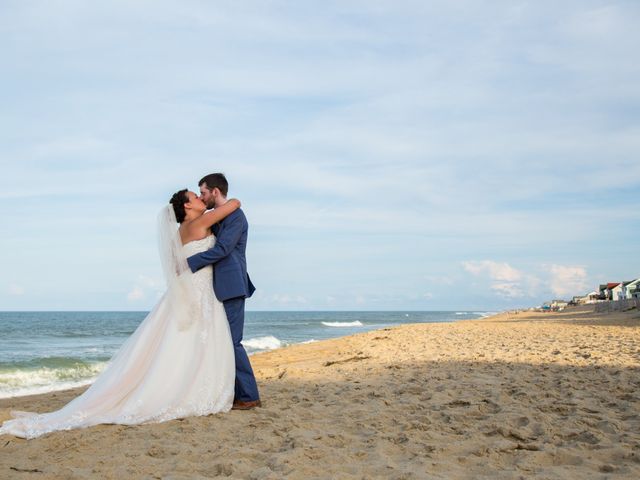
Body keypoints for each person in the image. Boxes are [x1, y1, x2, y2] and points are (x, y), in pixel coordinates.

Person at [0, 190, 241, 439]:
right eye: (197, 196)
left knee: (179, 341)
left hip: (188, 289)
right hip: (197, 291)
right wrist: (216, 199)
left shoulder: (179, 232)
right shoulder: (200, 222)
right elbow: (234, 203)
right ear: (188, 206)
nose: (202, 200)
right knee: (191, 342)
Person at [187, 173, 260, 410]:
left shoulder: (236, 217)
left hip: (232, 284)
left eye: (204, 192)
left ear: (215, 192)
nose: (202, 197)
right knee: (222, 341)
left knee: (233, 342)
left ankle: (249, 396)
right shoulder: (216, 217)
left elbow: (223, 249)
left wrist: (189, 262)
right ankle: (235, 393)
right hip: (217, 287)